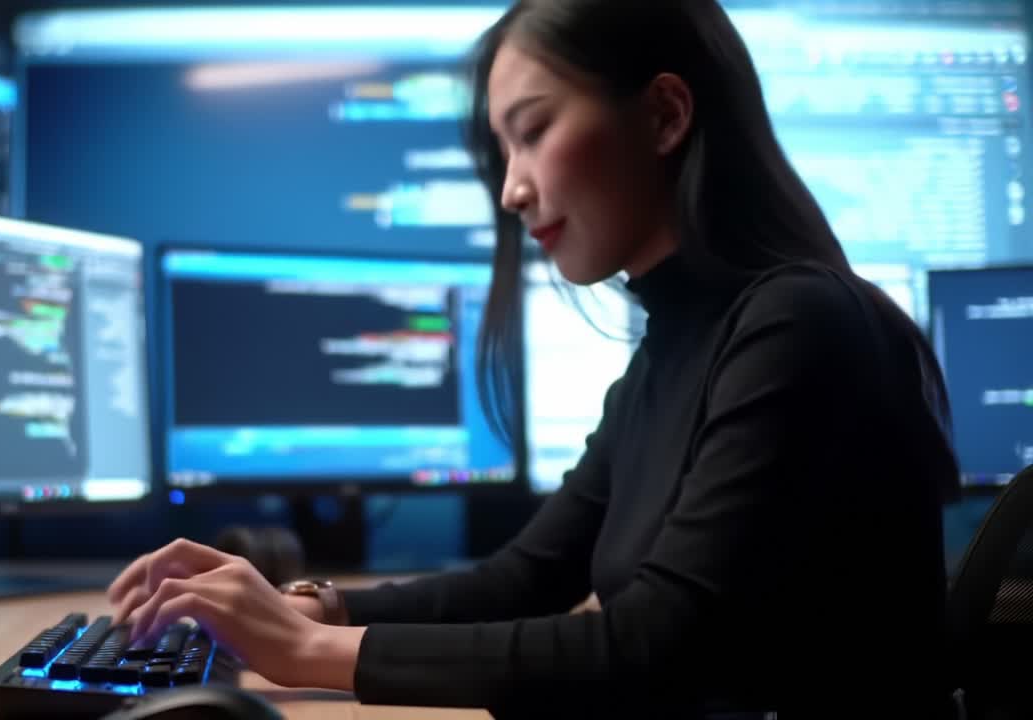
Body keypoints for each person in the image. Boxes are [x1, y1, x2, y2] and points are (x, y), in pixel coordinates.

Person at [108, 1, 962, 717]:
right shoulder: (675, 348)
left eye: (534, 131)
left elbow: (658, 644)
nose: (512, 188)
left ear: (665, 115)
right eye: (503, 152)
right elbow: (527, 577)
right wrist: (311, 607)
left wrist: (307, 651)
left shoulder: (798, 323)